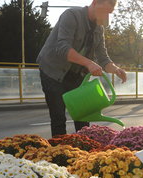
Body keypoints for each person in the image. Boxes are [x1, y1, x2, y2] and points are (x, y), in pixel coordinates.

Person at [37, 0, 127, 137]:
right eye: (104, 12)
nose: (106, 17)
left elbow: (103, 57)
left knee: (83, 117)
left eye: (109, 14)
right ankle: (58, 154)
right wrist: (89, 63)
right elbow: (62, 48)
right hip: (53, 71)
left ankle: (83, 154)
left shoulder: (99, 28)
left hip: (76, 75)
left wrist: (115, 69)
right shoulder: (71, 15)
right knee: (58, 118)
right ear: (95, 2)